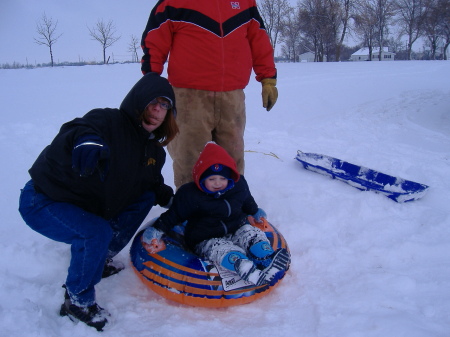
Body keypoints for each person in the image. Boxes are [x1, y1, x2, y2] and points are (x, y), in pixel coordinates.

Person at [18, 73, 179, 331]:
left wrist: (174, 200)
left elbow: (150, 184)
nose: (157, 109)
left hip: (83, 206)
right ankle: (77, 301)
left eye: (164, 105)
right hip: (44, 199)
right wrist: (86, 142)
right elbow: (78, 129)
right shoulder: (108, 120)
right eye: (152, 102)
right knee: (96, 232)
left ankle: (99, 258)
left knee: (145, 197)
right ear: (138, 102)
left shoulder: (154, 152)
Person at [140, 0, 279, 189]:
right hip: (189, 97)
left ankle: (232, 203)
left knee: (232, 156)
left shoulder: (245, 3)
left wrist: (268, 78)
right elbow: (155, 40)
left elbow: (259, 39)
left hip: (232, 96)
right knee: (189, 156)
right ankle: (190, 207)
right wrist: (151, 78)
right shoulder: (173, 2)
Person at [144, 142, 290, 286]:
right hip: (205, 237)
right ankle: (243, 266)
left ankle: (265, 256)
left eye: (223, 178)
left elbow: (246, 200)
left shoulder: (238, 186)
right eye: (212, 179)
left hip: (236, 227)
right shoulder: (191, 195)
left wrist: (255, 211)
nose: (218, 183)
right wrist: (157, 229)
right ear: (201, 178)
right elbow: (174, 215)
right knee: (221, 249)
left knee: (251, 233)